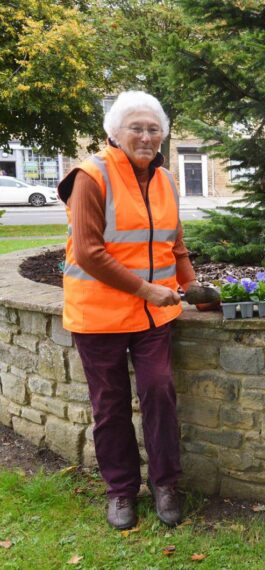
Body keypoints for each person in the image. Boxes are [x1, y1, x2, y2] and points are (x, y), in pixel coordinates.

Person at [57, 91, 198, 529]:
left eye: (154, 128)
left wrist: (191, 284)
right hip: (98, 315)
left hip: (153, 318)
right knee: (110, 405)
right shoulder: (90, 176)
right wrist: (148, 290)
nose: (145, 136)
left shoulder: (166, 181)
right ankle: (120, 491)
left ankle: (166, 484)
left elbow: (174, 245)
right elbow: (88, 253)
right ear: (114, 133)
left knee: (159, 392)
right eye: (136, 127)